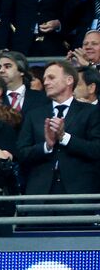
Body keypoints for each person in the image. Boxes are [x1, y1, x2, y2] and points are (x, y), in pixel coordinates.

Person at [15, 60, 100, 195]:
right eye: (44, 79)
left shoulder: (91, 112)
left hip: (79, 192)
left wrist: (64, 137)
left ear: (69, 80)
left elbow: (96, 149)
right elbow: (21, 153)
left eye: (51, 77)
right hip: (40, 193)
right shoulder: (34, 115)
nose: (46, 82)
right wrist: (46, 146)